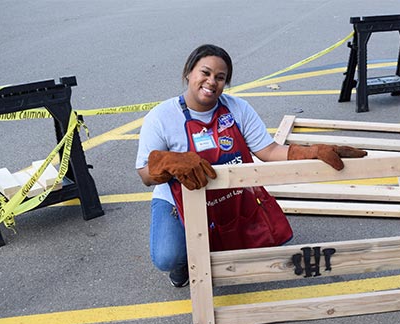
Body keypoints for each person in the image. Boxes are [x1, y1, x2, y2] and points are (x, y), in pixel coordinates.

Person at [136, 44, 367, 287]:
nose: (211, 81)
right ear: (188, 73)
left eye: (220, 77)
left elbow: (269, 151)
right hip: (179, 200)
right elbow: (144, 175)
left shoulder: (237, 108)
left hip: (229, 196)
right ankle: (184, 261)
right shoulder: (161, 117)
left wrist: (312, 152)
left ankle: (215, 246)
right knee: (168, 257)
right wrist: (169, 161)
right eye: (205, 73)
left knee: (258, 240)